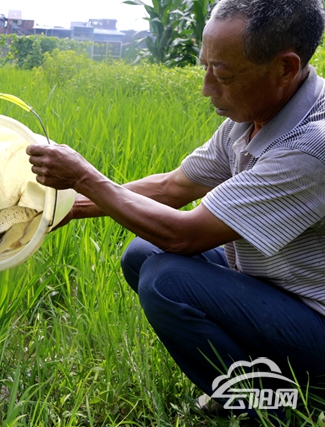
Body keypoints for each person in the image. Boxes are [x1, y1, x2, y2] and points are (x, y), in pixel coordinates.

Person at [27, 0, 325, 423]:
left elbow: (184, 235)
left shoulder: (312, 147)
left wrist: (84, 178)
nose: (206, 88)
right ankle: (255, 379)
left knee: (166, 281)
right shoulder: (253, 116)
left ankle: (269, 405)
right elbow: (173, 187)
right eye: (206, 67)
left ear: (284, 68)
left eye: (222, 74)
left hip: (315, 321)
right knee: (142, 254)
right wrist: (66, 209)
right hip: (278, 287)